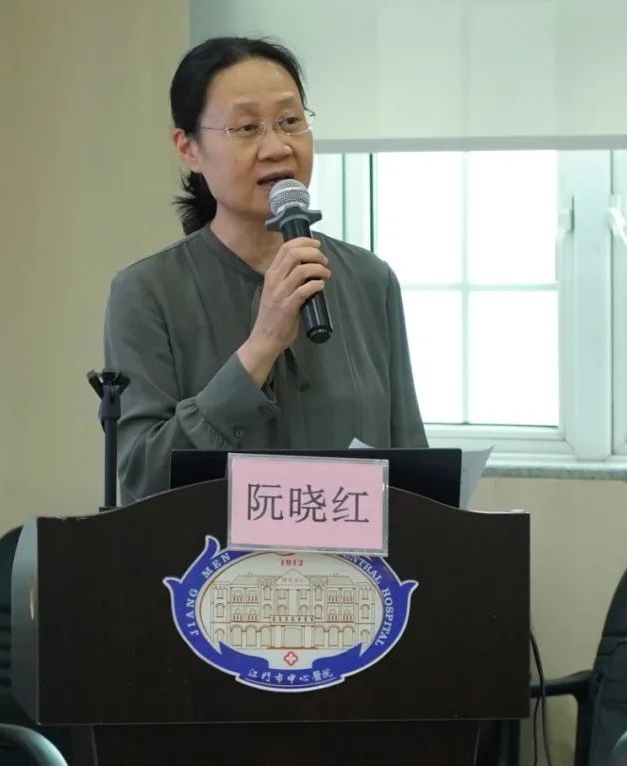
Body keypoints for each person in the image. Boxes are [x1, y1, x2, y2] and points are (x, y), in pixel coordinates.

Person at [104, 36, 427, 504]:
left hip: (349, 550)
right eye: (247, 127)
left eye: (290, 121)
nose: (277, 147)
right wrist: (261, 347)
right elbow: (143, 477)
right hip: (209, 552)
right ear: (189, 148)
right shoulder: (147, 292)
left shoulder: (369, 280)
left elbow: (413, 472)